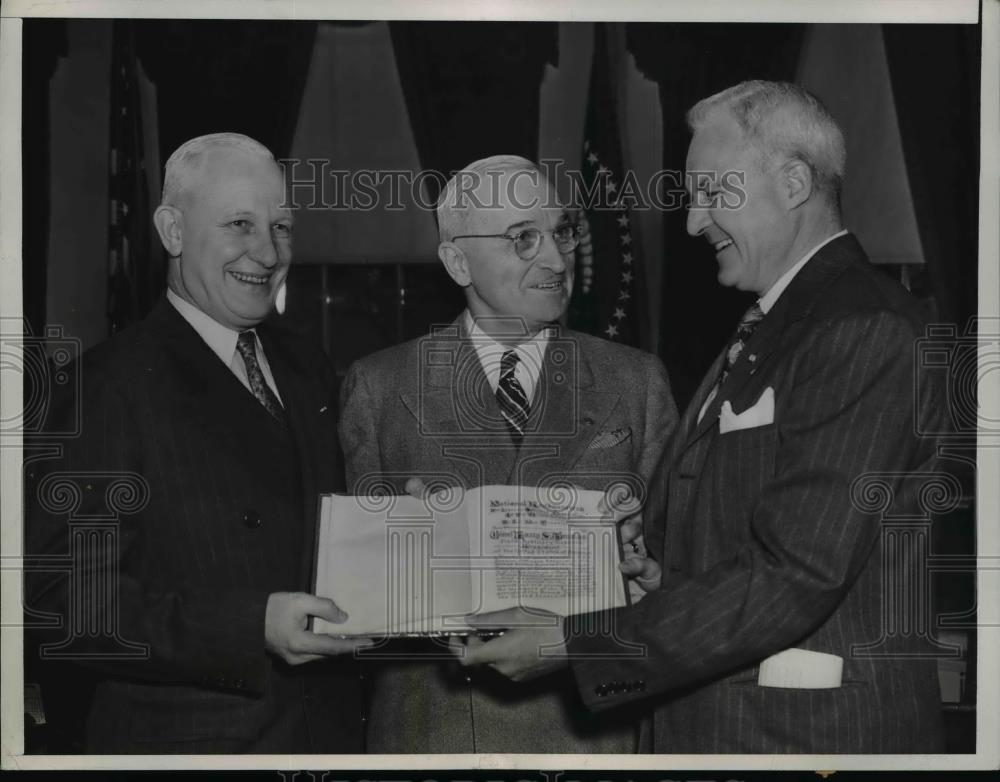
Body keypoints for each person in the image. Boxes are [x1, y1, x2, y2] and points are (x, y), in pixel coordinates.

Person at [455, 82, 947, 753]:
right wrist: (661, 572)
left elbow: (799, 572)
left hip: (807, 742)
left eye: (715, 193)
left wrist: (576, 642)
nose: (693, 222)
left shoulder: (863, 327)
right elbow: (755, 532)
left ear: (795, 182)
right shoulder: (780, 323)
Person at [25, 133, 369, 753]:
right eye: (240, 223)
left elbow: (324, 520)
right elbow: (62, 602)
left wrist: (406, 513)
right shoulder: (105, 385)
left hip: (325, 737)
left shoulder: (305, 364)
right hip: (193, 747)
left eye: (282, 226)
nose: (267, 252)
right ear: (172, 232)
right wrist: (249, 627)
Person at [338, 155, 678, 753]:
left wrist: (648, 574)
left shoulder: (636, 381)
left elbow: (678, 571)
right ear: (457, 260)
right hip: (437, 738)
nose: (555, 259)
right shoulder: (380, 386)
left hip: (597, 737)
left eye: (561, 231)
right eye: (523, 238)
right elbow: (359, 603)